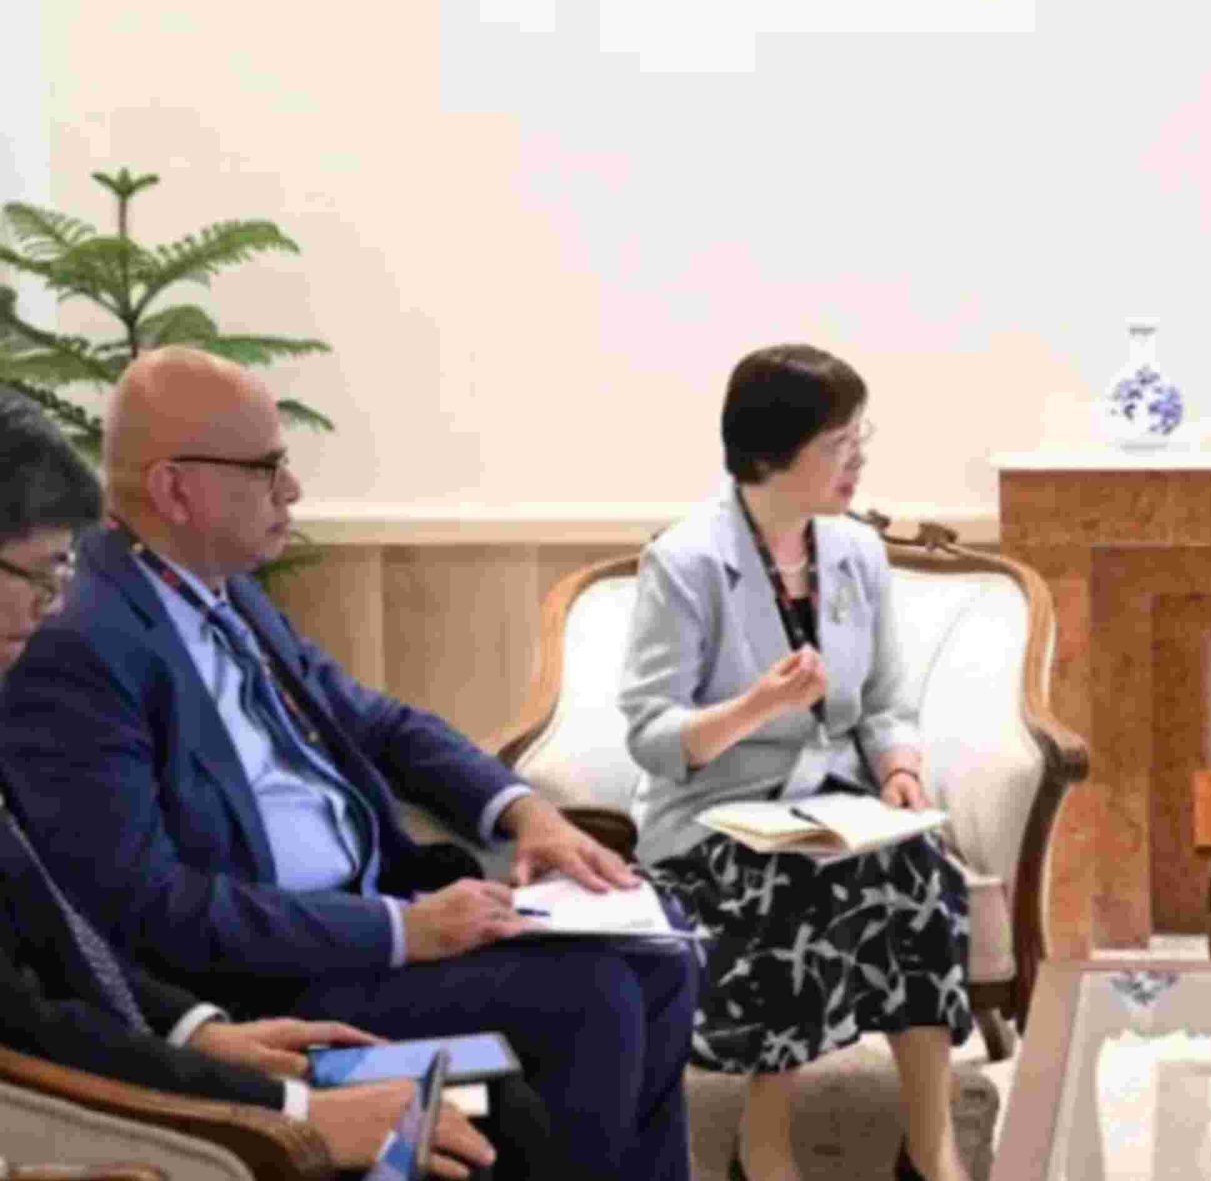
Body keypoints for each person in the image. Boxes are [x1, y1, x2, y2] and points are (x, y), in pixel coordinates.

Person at [0, 348, 700, 1181]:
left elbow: (375, 720)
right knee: (589, 1000)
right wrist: (401, 931)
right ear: (176, 489)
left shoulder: (225, 589)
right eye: (266, 468)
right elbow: (139, 903)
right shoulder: (78, 640)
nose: (292, 490)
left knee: (659, 956)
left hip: (369, 914)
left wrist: (524, 808)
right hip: (275, 974)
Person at [621, 344, 971, 1181]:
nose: (858, 460)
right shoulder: (685, 562)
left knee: (923, 871)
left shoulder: (856, 552)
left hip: (836, 807)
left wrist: (899, 769)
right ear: (772, 453)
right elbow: (651, 735)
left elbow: (885, 700)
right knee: (792, 885)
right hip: (713, 826)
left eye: (860, 438)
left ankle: (932, 1147)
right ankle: (764, 1146)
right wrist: (756, 707)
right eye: (839, 443)